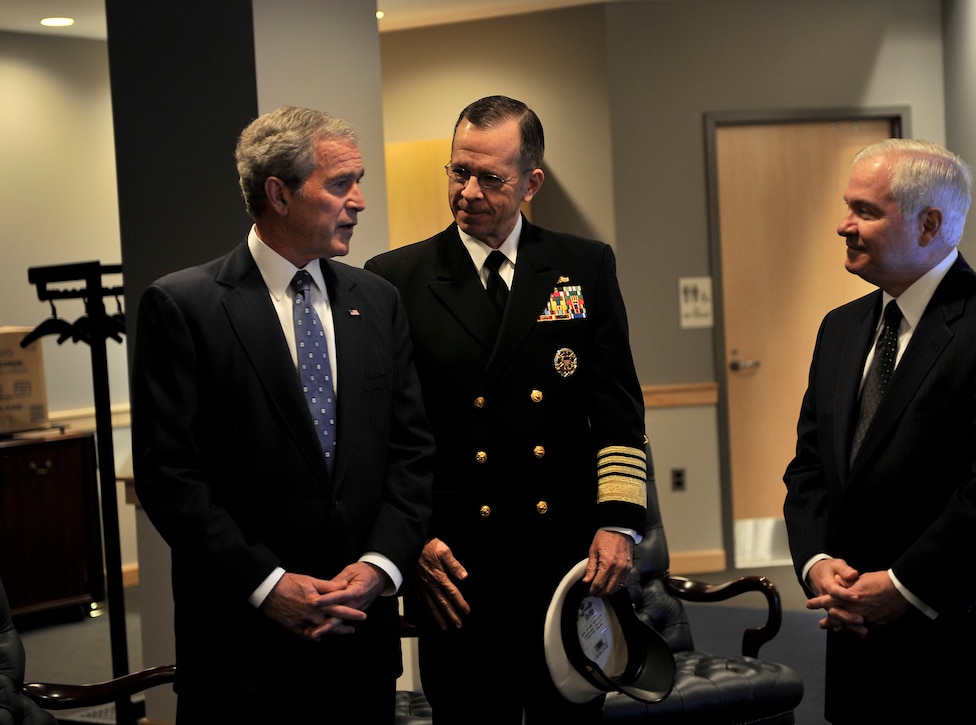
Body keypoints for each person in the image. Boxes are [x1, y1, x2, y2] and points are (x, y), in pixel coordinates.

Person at [131, 106, 434, 725]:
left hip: (359, 648)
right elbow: (170, 478)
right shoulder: (183, 306)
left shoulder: (377, 302)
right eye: (341, 183)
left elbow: (411, 454)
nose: (360, 201)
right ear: (279, 193)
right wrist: (269, 585)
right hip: (242, 655)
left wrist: (379, 568)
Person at [364, 95, 647, 725]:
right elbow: (386, 438)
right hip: (459, 563)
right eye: (457, 171)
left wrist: (620, 522)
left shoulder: (583, 266)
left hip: (564, 554)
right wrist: (414, 541)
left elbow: (619, 410)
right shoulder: (395, 280)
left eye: (489, 178)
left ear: (531, 183)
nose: (467, 190)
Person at [783, 138, 976, 724]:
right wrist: (816, 562)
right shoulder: (840, 330)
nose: (844, 226)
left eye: (865, 212)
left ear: (929, 224)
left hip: (965, 655)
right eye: (848, 207)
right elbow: (810, 467)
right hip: (858, 648)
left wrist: (901, 586)